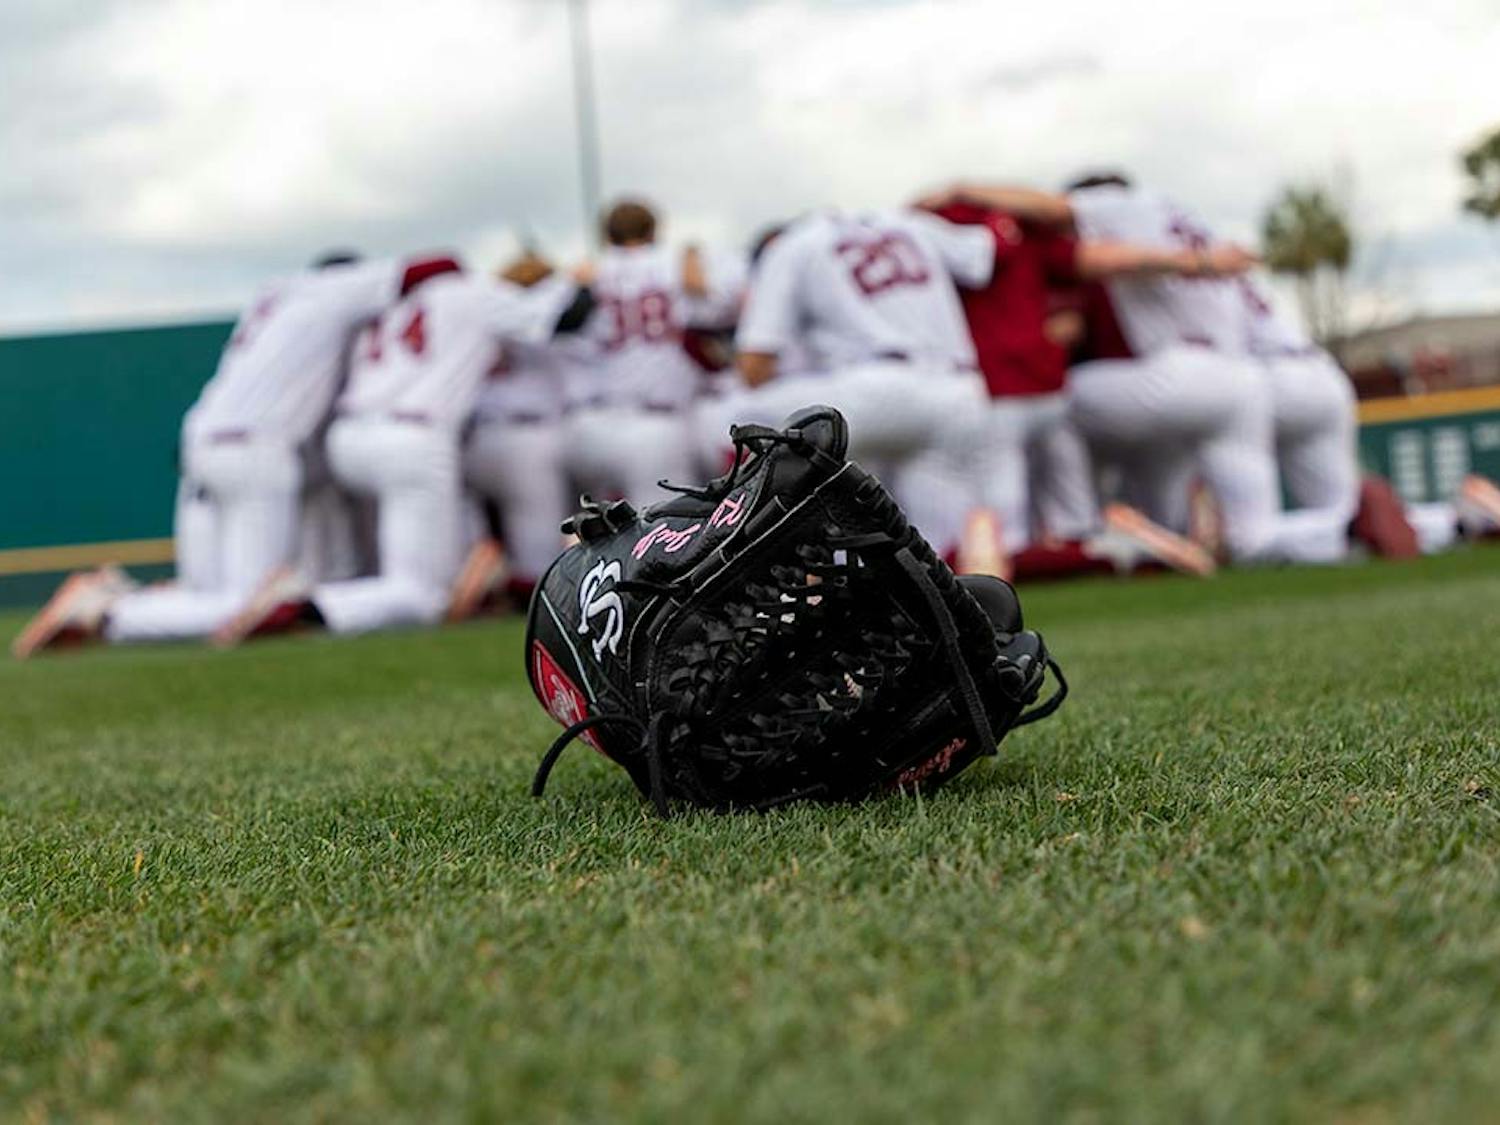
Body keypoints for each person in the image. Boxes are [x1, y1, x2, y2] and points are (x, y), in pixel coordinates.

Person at [13, 251, 408, 658]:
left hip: (205, 446)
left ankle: (124, 604)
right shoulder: (333, 294)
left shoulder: (276, 301)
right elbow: (419, 270)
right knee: (252, 604)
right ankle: (112, 612)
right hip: (256, 450)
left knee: (217, 594)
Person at [214, 256, 593, 643]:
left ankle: (474, 574)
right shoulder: (472, 291)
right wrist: (579, 280)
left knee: (368, 559)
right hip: (412, 436)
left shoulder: (392, 301)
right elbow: (564, 317)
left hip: (347, 437)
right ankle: (304, 603)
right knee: (421, 594)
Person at [918, 188, 1256, 575]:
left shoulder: (933, 224)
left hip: (995, 389)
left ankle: (1123, 550)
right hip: (1051, 387)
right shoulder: (1026, 231)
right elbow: (1087, 260)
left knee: (997, 540)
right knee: (1070, 520)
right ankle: (1125, 547)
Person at [724, 207, 996, 561]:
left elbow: (754, 365)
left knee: (732, 415)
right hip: (958, 389)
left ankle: (751, 557)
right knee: (934, 552)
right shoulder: (910, 224)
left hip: (870, 392)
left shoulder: (794, 244)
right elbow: (983, 254)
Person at [563, 198, 743, 505]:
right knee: (669, 534)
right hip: (662, 425)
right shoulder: (673, 262)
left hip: (598, 424)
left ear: (608, 235)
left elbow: (562, 335)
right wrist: (692, 260)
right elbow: (726, 308)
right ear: (654, 230)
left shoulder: (589, 272)